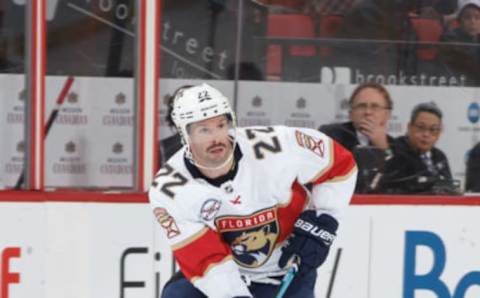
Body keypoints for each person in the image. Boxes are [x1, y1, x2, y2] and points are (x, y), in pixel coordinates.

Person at [149, 83, 357, 298]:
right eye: (204, 130)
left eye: (221, 125)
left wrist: (323, 220)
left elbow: (340, 165)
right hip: (225, 274)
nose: (216, 138)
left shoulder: (276, 146)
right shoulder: (170, 190)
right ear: (185, 135)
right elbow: (207, 261)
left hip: (287, 267)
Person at [319, 82, 395, 193]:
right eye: (361, 106)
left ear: (386, 115)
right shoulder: (332, 135)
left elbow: (396, 185)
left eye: (375, 106)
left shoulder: (394, 145)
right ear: (351, 113)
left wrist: (382, 148)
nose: (368, 112)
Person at [382, 102, 456, 194]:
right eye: (421, 127)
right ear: (409, 127)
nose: (426, 134)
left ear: (439, 133)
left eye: (433, 129)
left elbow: (450, 189)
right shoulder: (396, 151)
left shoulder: (440, 156)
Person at [439, 0, 480, 85]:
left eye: (477, 17)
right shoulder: (449, 40)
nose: (473, 22)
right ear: (459, 21)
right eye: (467, 17)